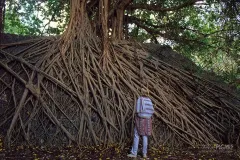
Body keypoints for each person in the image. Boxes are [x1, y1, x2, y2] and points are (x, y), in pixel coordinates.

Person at [127, 88, 153, 158]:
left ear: (141, 92)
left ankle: (134, 153)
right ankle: (144, 154)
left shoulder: (140, 99)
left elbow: (137, 110)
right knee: (145, 136)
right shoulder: (149, 100)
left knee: (136, 135)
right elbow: (152, 111)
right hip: (148, 120)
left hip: (140, 119)